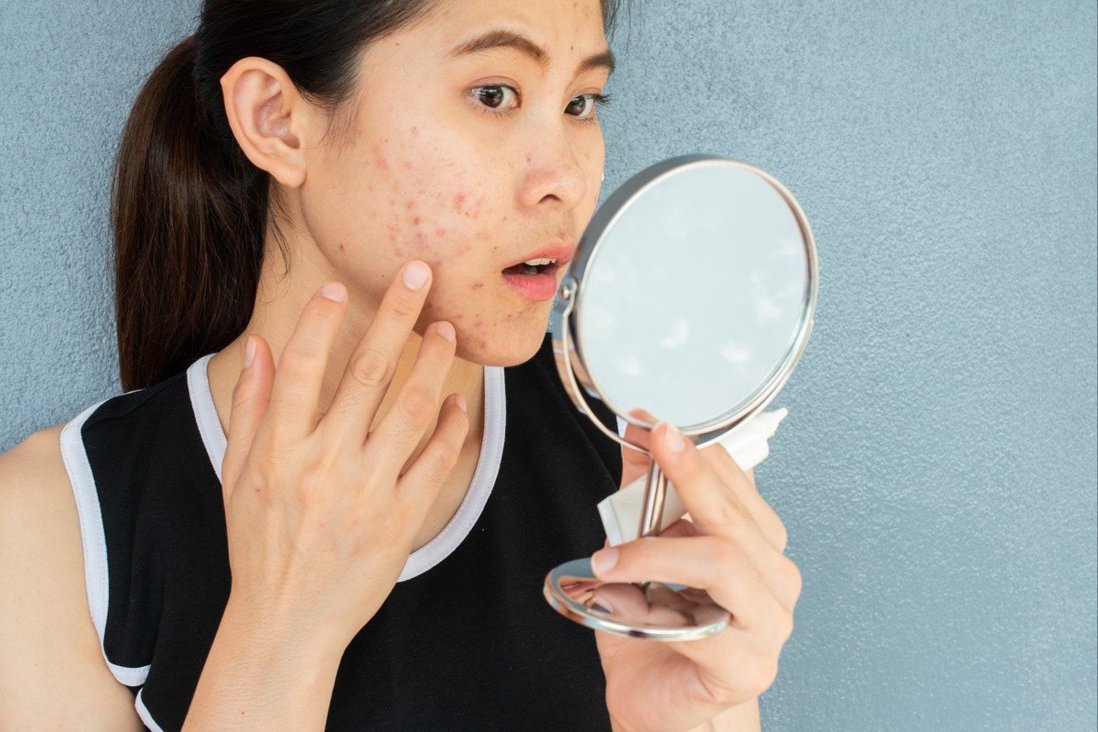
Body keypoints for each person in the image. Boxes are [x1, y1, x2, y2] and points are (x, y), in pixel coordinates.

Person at [0, 1, 801, 729]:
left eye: (580, 103)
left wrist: (675, 720)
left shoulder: (641, 475)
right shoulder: (50, 537)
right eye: (494, 94)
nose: (565, 180)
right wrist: (281, 632)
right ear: (277, 121)